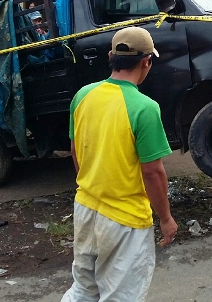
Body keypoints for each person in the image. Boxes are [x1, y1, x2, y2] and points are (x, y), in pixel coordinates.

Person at [61, 26, 177, 302]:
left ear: (111, 56)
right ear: (146, 62)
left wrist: (92, 185)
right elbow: (152, 172)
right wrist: (166, 218)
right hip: (125, 221)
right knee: (121, 296)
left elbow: (75, 149)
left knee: (83, 289)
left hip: (86, 207)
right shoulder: (145, 108)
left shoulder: (83, 96)